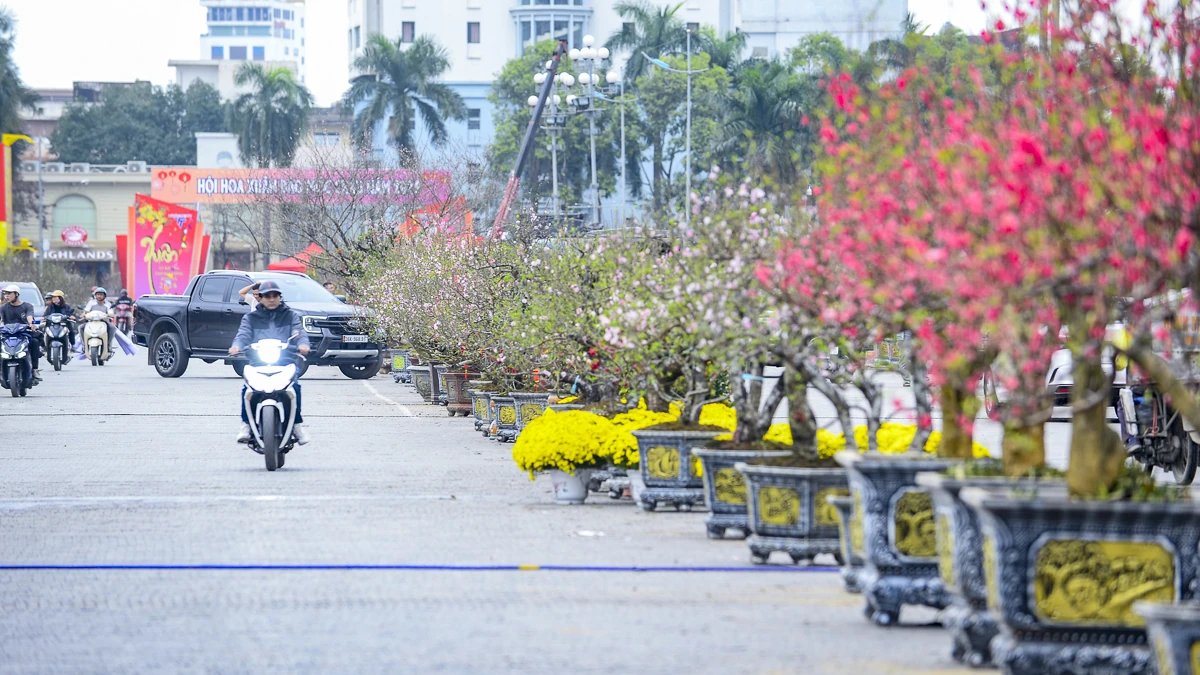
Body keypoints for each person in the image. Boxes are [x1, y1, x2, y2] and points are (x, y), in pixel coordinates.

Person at [228, 280, 311, 445]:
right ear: (260, 297)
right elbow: (243, 334)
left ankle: (296, 425)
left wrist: (303, 344)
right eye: (267, 296)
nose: (271, 299)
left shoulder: (290, 315)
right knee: (248, 389)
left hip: (285, 361)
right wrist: (236, 346)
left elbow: (299, 332)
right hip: (257, 362)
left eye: (275, 296)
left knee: (294, 387)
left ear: (280, 297)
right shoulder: (251, 318)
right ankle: (246, 424)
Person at [1, 285, 41, 381]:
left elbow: (29, 317)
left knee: (35, 342)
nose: (7, 296)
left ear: (16, 294)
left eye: (9, 293)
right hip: (7, 334)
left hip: (23, 333)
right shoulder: (3, 307)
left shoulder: (27, 306)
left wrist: (32, 324)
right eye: (6, 294)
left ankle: (34, 369)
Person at [81, 287, 117, 359]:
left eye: (101, 294)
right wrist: (83, 315)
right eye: (98, 294)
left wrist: (111, 315)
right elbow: (86, 311)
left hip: (104, 322)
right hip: (91, 322)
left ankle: (108, 345)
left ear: (104, 296)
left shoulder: (108, 304)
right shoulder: (91, 303)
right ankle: (84, 345)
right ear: (95, 295)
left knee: (112, 328)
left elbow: (111, 313)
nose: (99, 296)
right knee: (81, 327)